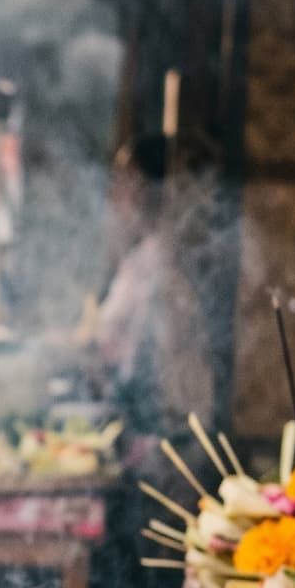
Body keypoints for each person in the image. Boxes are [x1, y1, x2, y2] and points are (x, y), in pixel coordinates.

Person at [86, 132, 214, 430]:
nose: (115, 194)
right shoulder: (143, 256)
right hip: (157, 420)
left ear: (151, 188)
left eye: (125, 180)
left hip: (171, 425)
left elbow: (110, 343)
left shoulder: (163, 259)